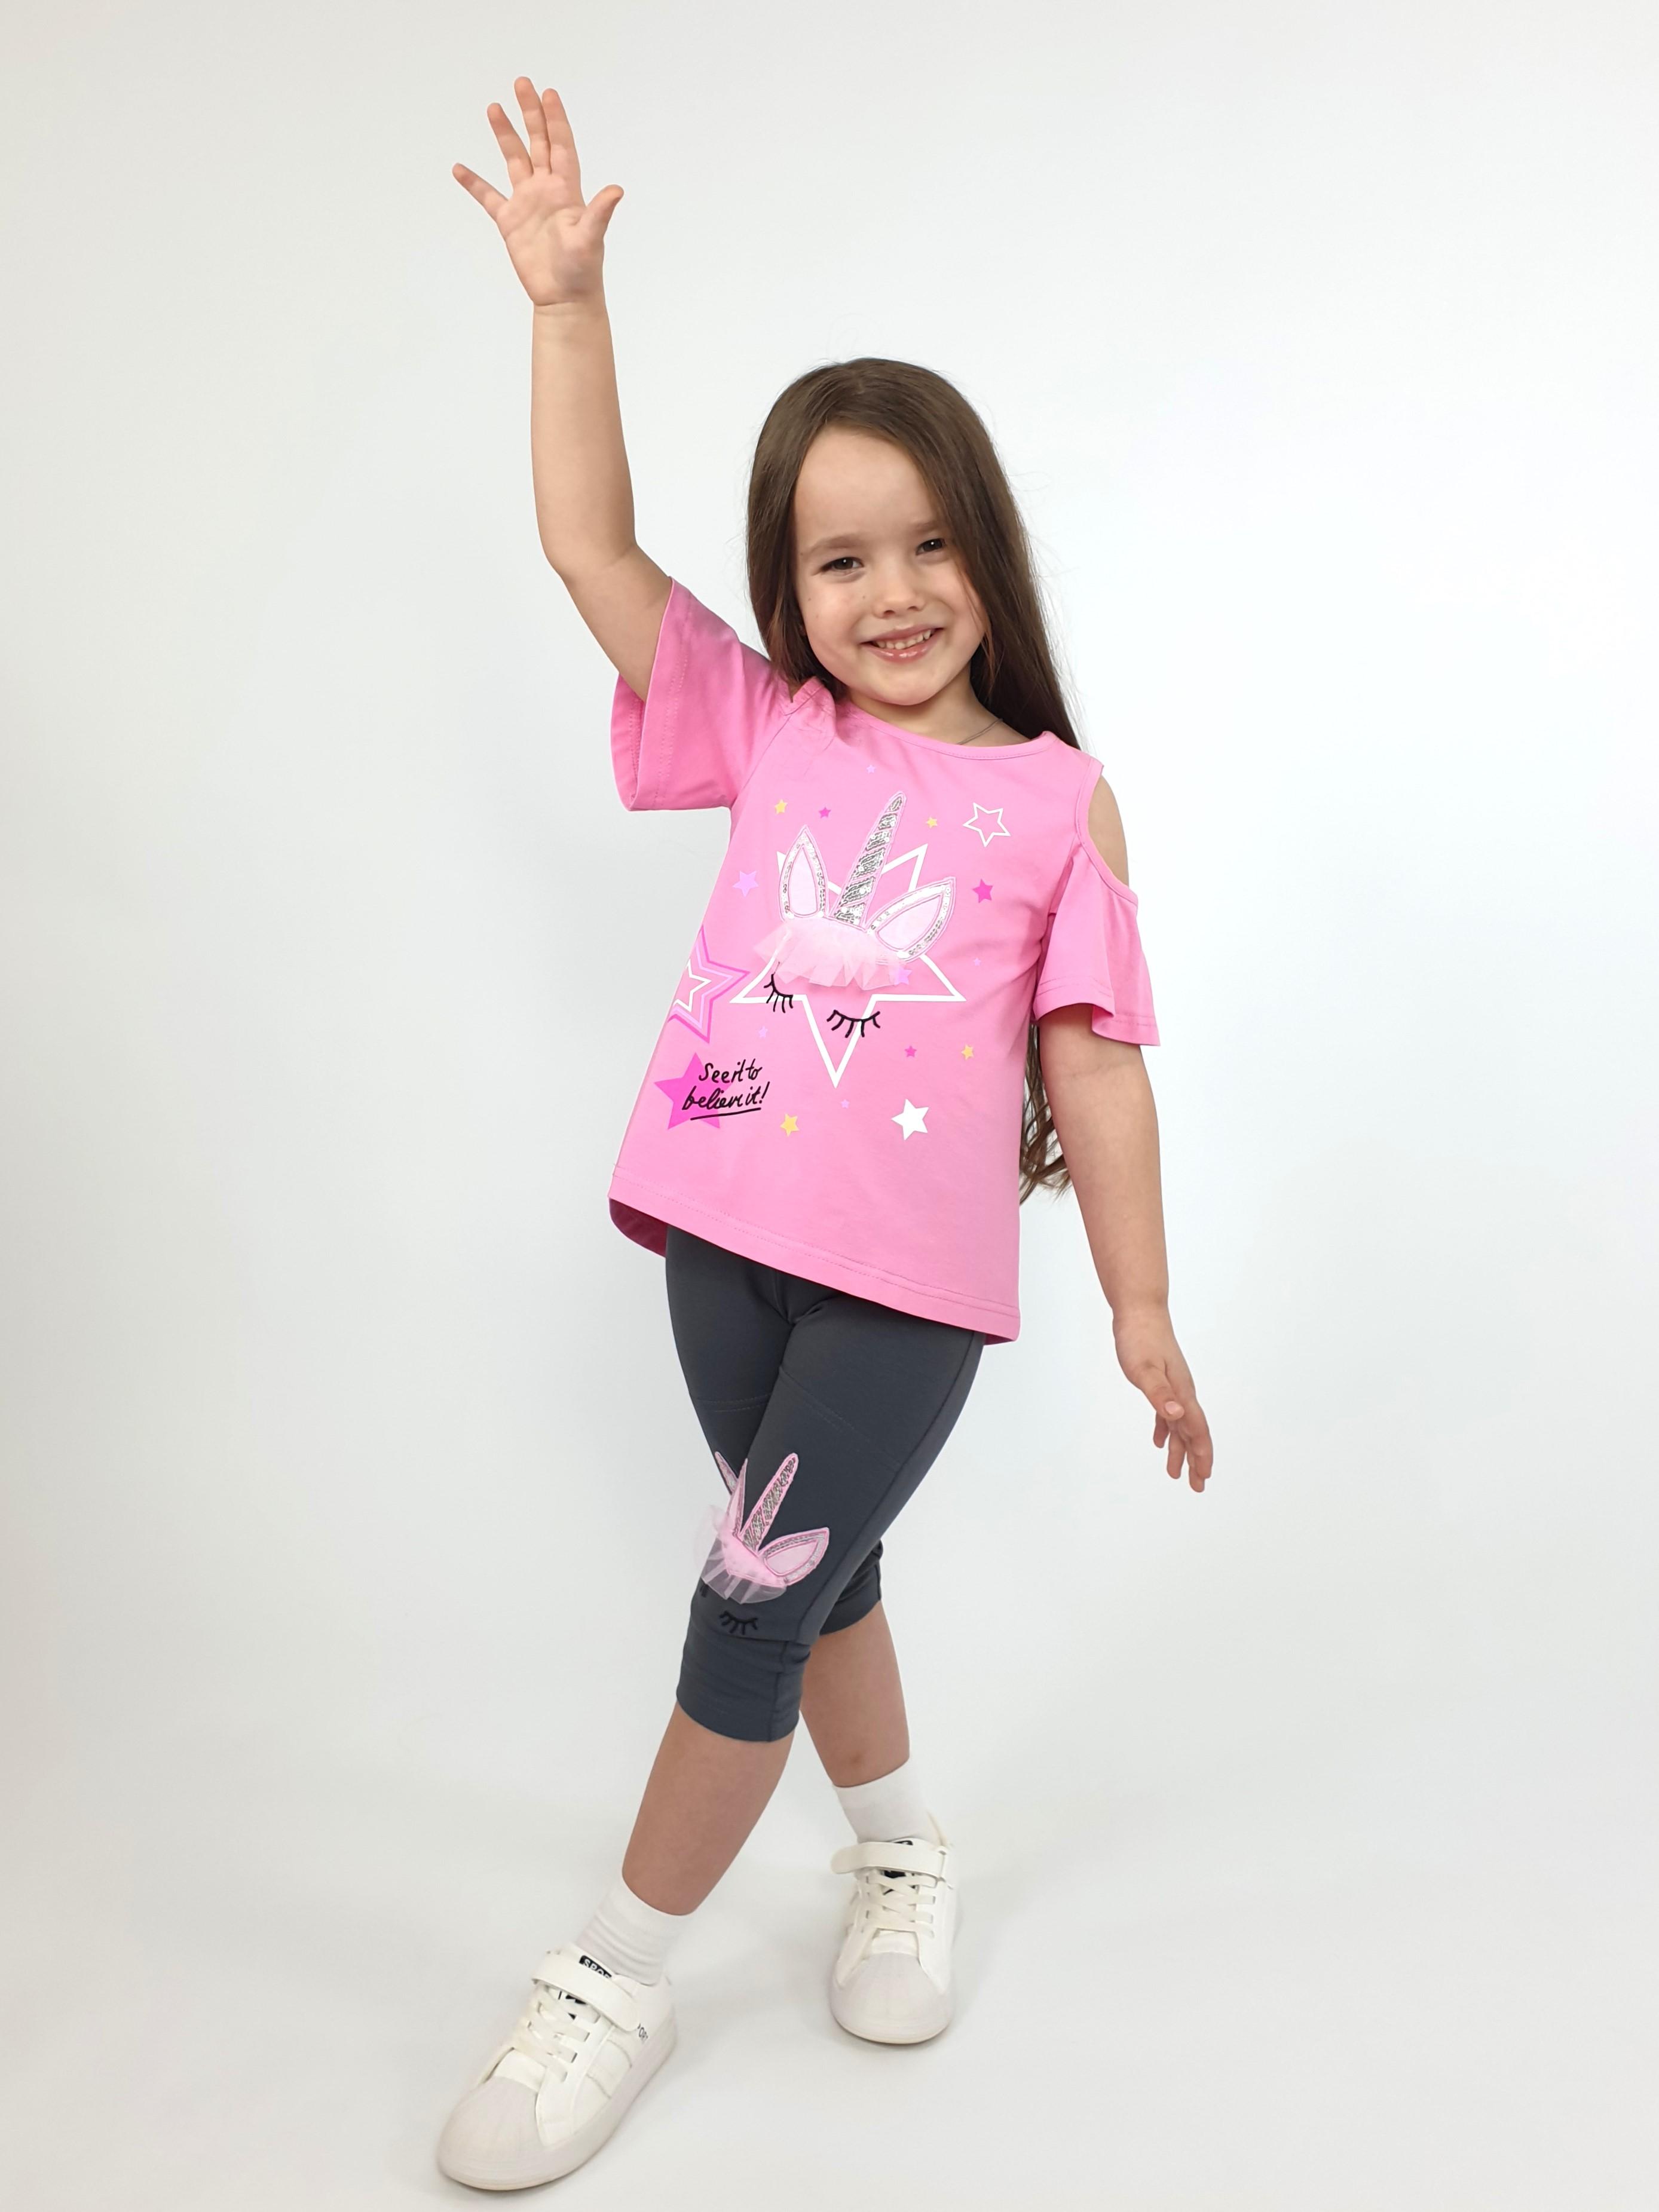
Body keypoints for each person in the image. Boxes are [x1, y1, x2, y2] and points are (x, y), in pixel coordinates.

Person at [437, 75, 1215, 2193]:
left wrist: (1142, 1307)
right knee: (826, 1567)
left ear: (990, 548)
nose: (894, 589)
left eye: (930, 541)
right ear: (791, 589)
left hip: (904, 1291)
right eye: (840, 555)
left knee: (748, 1597)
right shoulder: (768, 726)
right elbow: (589, 548)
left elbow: (1099, 1067)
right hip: (716, 1239)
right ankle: (898, 1850)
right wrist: (569, 309)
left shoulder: (1058, 801)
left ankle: (613, 1977)